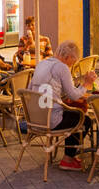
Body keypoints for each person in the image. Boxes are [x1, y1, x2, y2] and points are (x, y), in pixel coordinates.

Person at [28, 39, 95, 172]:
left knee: (73, 114)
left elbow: (35, 89)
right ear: (67, 57)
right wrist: (86, 84)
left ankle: (69, 156)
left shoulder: (42, 64)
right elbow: (74, 96)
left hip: (35, 118)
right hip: (51, 120)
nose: (73, 64)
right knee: (84, 119)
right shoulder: (62, 67)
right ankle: (68, 160)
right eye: (73, 61)